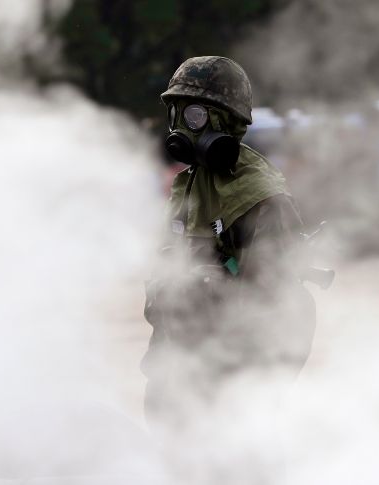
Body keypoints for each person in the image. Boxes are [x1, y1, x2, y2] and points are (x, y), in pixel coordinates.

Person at [141, 56, 316, 462]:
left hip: (239, 359)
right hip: (185, 356)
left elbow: (276, 303)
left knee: (237, 453)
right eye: (177, 113)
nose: (183, 126)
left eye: (195, 115)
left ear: (226, 120)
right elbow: (165, 265)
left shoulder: (258, 194)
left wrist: (212, 293)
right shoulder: (189, 184)